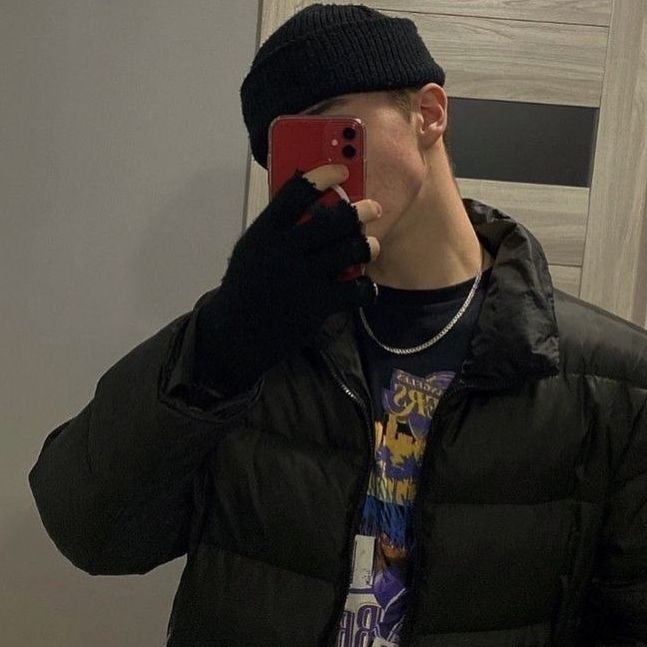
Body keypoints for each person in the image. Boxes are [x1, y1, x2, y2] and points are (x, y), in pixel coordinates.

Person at [28, 3, 647, 646]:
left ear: (429, 113)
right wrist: (219, 345)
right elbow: (92, 532)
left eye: (333, 130)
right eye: (285, 152)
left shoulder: (614, 383)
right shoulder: (256, 338)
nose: (312, 173)